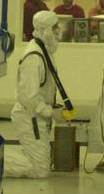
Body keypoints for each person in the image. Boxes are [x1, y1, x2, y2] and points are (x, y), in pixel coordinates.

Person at [5, 10, 66, 179]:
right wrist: (50, 112)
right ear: (45, 29)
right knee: (39, 170)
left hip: (37, 117)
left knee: (39, 161)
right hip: (29, 117)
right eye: (55, 27)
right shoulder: (34, 57)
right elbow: (28, 97)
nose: (59, 30)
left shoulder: (44, 50)